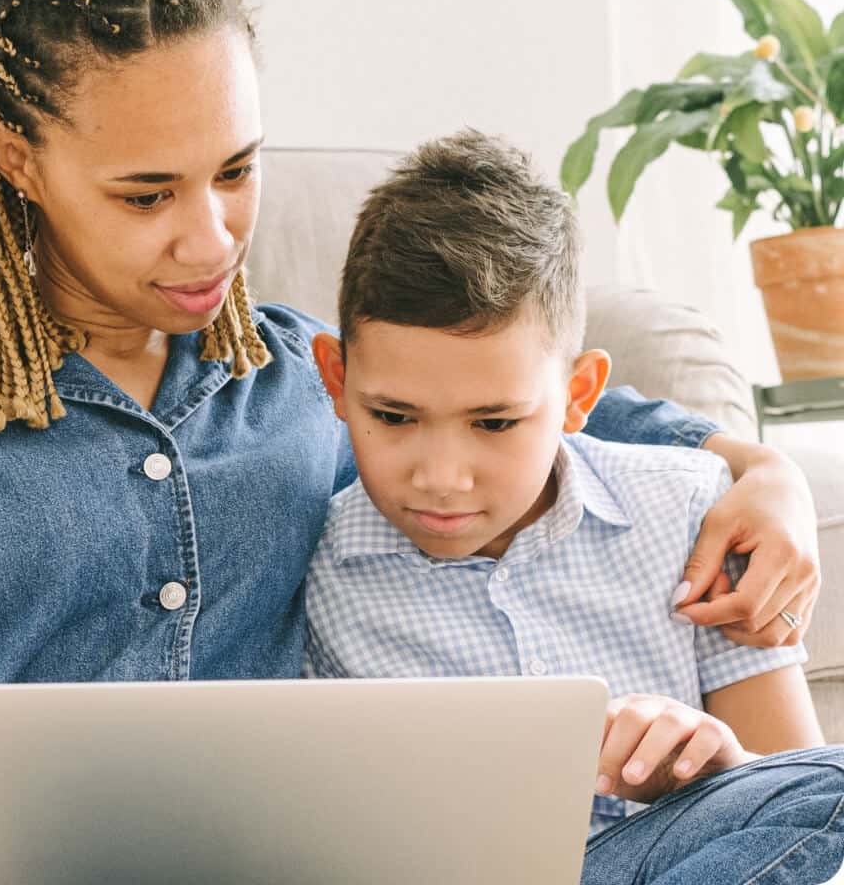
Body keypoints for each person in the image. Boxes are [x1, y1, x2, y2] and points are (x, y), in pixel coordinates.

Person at [0, 0, 821, 885]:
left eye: (235, 171)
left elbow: (528, 403)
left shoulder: (301, 374)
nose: (210, 239)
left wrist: (754, 469)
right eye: (146, 193)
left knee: (809, 794)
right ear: (16, 157)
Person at [305, 129, 843, 883]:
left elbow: (799, 797)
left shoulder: (692, 512)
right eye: (393, 417)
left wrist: (718, 770)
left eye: (494, 423)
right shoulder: (310, 561)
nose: (442, 478)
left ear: (578, 396)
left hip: (669, 859)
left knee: (833, 780)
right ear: (335, 377)